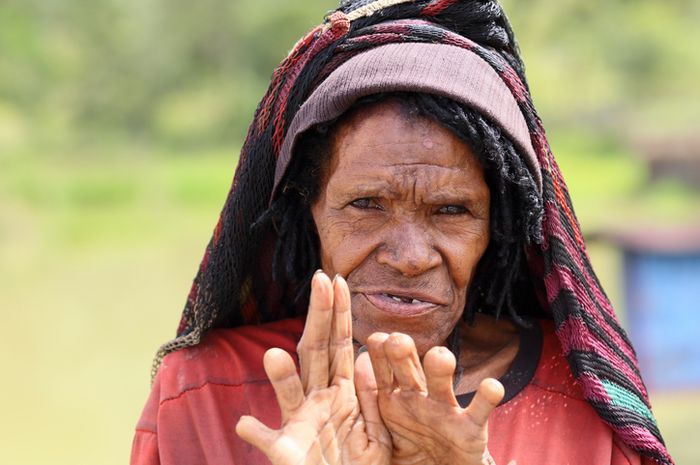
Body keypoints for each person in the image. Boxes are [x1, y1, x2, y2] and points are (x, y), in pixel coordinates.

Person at [131, 1, 673, 464]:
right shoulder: (202, 395)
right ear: (307, 208)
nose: (411, 258)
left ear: (499, 227)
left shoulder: (583, 408)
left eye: (452, 211)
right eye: (366, 205)